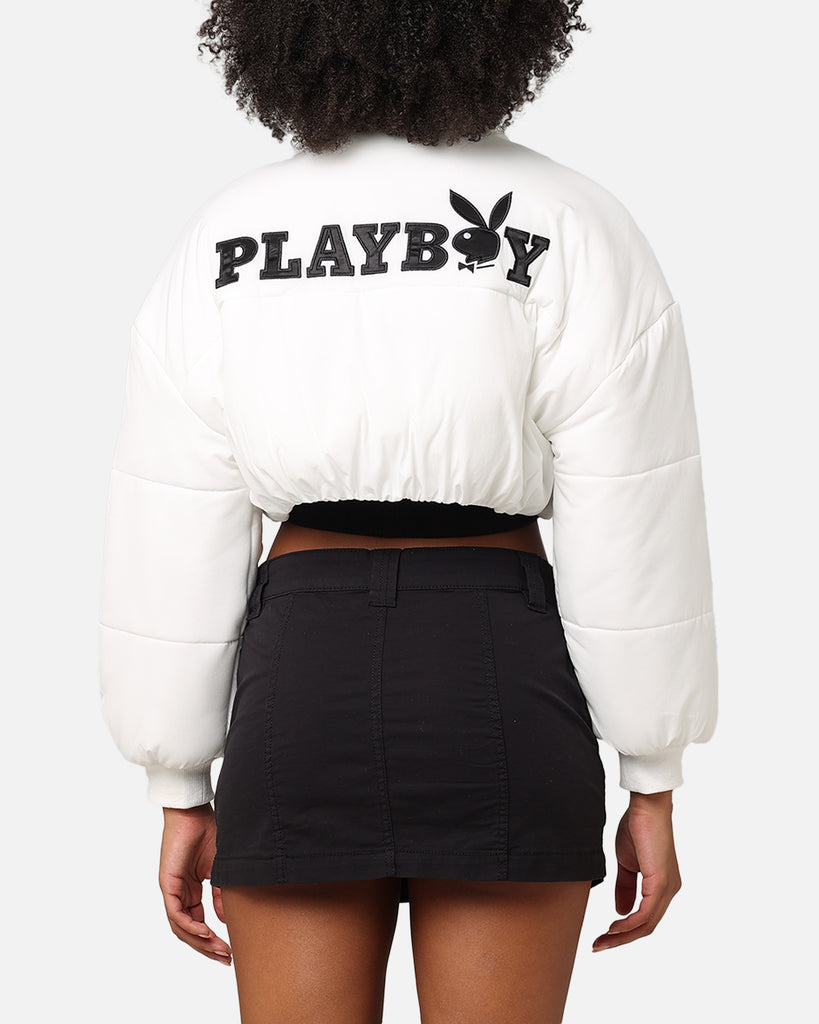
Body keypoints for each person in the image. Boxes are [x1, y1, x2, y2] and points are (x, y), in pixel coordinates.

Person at [97, 3, 719, 1022]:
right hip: (499, 669)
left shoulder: (225, 233)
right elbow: (633, 513)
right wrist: (651, 770)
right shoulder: (573, 219)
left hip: (302, 677)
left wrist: (179, 781)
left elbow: (173, 520)